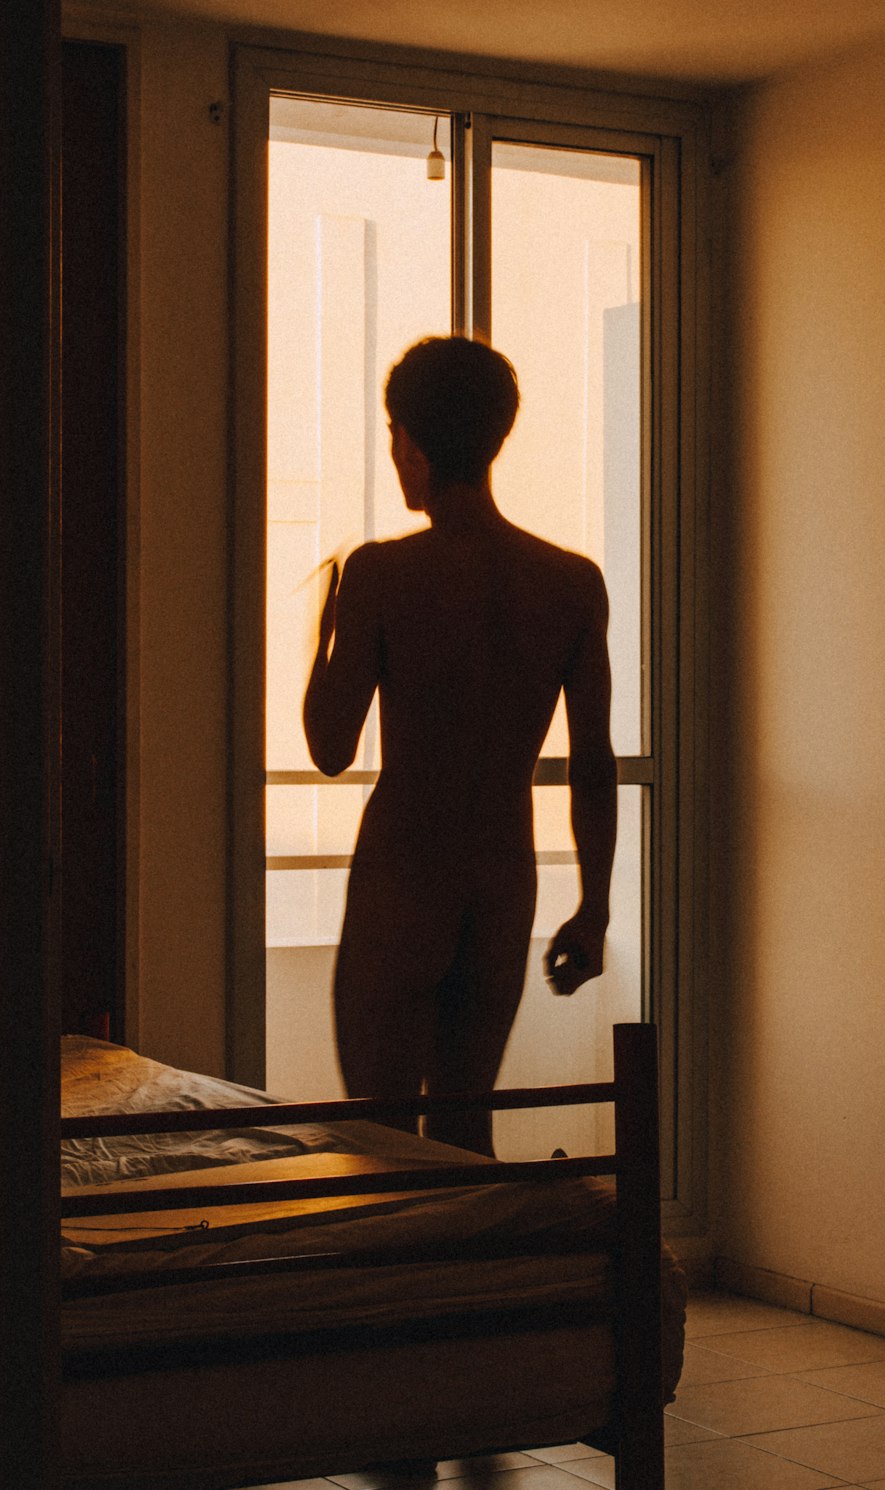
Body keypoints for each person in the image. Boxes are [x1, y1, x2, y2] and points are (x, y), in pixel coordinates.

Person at [304, 335, 616, 1155]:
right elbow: (592, 762)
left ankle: (396, 1286)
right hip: (502, 883)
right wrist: (594, 903)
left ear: (410, 439)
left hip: (405, 871)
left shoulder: (381, 573)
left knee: (378, 1139)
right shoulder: (571, 582)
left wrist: (323, 625)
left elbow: (331, 746)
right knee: (464, 1135)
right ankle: (478, 1286)